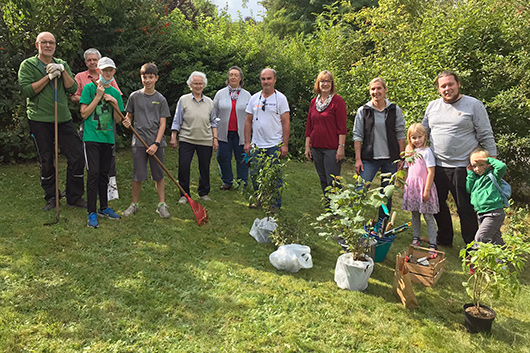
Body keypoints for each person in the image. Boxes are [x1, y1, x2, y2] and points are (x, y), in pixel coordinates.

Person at [422, 71, 497, 247]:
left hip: (464, 167)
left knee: (465, 209)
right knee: (437, 205)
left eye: (450, 84)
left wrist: (492, 160)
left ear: (458, 84)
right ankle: (444, 238)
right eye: (443, 86)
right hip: (436, 166)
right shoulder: (432, 106)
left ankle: (472, 245)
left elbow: (486, 134)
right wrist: (412, 152)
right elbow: (423, 133)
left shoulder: (473, 105)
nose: (447, 88)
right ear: (438, 89)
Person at [18, 31, 86, 211]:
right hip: (39, 119)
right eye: (44, 42)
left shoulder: (62, 63)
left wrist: (61, 72)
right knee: (47, 159)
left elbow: (72, 88)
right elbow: (28, 91)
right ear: (37, 45)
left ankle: (74, 196)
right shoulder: (28, 65)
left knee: (77, 154)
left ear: (55, 46)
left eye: (52, 43)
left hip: (62, 118)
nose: (48, 45)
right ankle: (52, 197)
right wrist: (48, 77)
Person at [71, 48, 122, 201]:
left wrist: (113, 101)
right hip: (91, 128)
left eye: (95, 59)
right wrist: (96, 96)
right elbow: (77, 101)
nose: (92, 62)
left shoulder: (111, 83)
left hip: (107, 129)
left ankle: (107, 197)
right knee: (92, 169)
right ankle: (89, 204)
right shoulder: (82, 80)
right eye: (89, 60)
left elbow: (117, 101)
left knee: (106, 166)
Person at [353, 77, 406, 222]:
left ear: (385, 90)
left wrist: (402, 158)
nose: (376, 92)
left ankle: (382, 225)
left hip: (390, 159)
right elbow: (357, 136)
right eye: (373, 89)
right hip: (369, 159)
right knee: (360, 190)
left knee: (386, 195)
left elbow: (401, 134)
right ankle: (354, 222)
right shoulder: (363, 111)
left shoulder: (394, 110)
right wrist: (358, 159)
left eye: (379, 88)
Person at [122, 63, 171, 218]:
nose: (148, 80)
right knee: (138, 175)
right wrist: (127, 121)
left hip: (156, 143)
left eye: (151, 77)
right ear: (141, 78)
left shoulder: (161, 99)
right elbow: (128, 116)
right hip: (139, 142)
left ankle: (161, 204)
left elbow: (163, 124)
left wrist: (156, 144)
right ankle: (134, 204)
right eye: (145, 77)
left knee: (158, 175)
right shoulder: (134, 97)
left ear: (156, 78)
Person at [79, 57, 123, 228]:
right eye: (104, 70)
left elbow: (118, 120)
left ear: (114, 72)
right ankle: (91, 211)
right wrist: (98, 97)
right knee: (93, 173)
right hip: (91, 138)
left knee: (105, 174)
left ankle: (103, 207)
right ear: (98, 71)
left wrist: (114, 103)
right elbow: (84, 113)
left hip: (108, 138)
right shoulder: (89, 89)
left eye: (110, 70)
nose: (107, 73)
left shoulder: (115, 93)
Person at [244, 68, 290, 209]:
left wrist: (285, 144)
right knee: (255, 174)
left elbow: (286, 122)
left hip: (274, 144)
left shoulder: (281, 98)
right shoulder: (254, 98)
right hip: (257, 144)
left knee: (274, 176)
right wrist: (247, 142)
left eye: (269, 78)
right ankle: (259, 199)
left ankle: (275, 204)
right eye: (263, 79)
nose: (266, 82)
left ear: (274, 80)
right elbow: (248, 121)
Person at [170, 71, 218, 202]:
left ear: (204, 85)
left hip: (205, 139)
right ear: (190, 85)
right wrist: (174, 136)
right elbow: (177, 119)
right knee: (184, 166)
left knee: (204, 167)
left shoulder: (209, 102)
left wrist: (215, 139)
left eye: (200, 83)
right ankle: (184, 194)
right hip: (187, 139)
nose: (198, 86)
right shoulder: (183, 100)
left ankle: (203, 192)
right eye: (195, 83)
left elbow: (213, 122)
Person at [304, 70, 347, 196]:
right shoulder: (313, 102)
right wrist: (307, 146)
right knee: (323, 180)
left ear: (332, 84)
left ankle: (337, 210)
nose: (325, 84)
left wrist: (341, 147)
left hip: (332, 149)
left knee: (333, 181)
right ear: (318, 83)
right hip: (316, 147)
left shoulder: (337, 101)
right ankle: (329, 208)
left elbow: (342, 128)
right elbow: (309, 126)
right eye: (322, 81)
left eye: (328, 81)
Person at [401, 123, 439, 251]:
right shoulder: (410, 153)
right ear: (409, 138)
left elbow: (431, 172)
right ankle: (416, 237)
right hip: (412, 189)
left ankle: (433, 242)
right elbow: (407, 171)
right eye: (413, 137)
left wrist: (427, 190)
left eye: (419, 137)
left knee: (428, 216)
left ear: (425, 136)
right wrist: (404, 187)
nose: (417, 140)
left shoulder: (427, 152)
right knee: (414, 214)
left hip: (423, 187)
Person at [212, 66, 251, 190]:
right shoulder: (220, 94)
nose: (233, 77)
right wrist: (214, 133)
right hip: (224, 133)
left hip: (241, 134)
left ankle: (242, 182)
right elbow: (214, 113)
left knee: (243, 159)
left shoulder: (247, 95)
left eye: (236, 75)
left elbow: (251, 116)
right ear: (228, 78)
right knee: (222, 157)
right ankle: (227, 181)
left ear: (240, 78)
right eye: (231, 75)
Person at [466, 148, 507, 246]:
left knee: (480, 237)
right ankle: (502, 260)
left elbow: (502, 166)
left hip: (494, 213)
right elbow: (468, 189)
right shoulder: (476, 179)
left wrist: (488, 160)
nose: (478, 168)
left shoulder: (493, 175)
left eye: (481, 165)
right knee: (495, 241)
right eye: (474, 166)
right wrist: (470, 173)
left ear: (488, 164)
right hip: (481, 214)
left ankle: (475, 259)